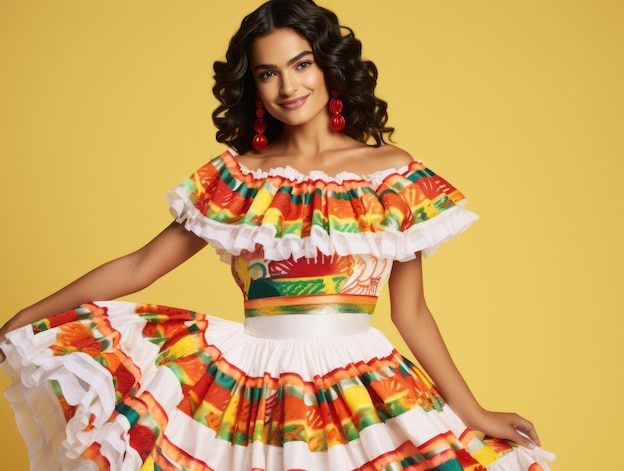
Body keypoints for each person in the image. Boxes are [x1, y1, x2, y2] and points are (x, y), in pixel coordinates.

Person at [0, 0, 555, 469]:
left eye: (302, 64)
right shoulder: (239, 178)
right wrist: (25, 318)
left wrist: (474, 412)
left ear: (328, 67)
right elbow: (139, 265)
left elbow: (410, 312)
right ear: (254, 85)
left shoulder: (390, 172)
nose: (288, 86)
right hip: (253, 385)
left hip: (362, 383)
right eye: (268, 73)